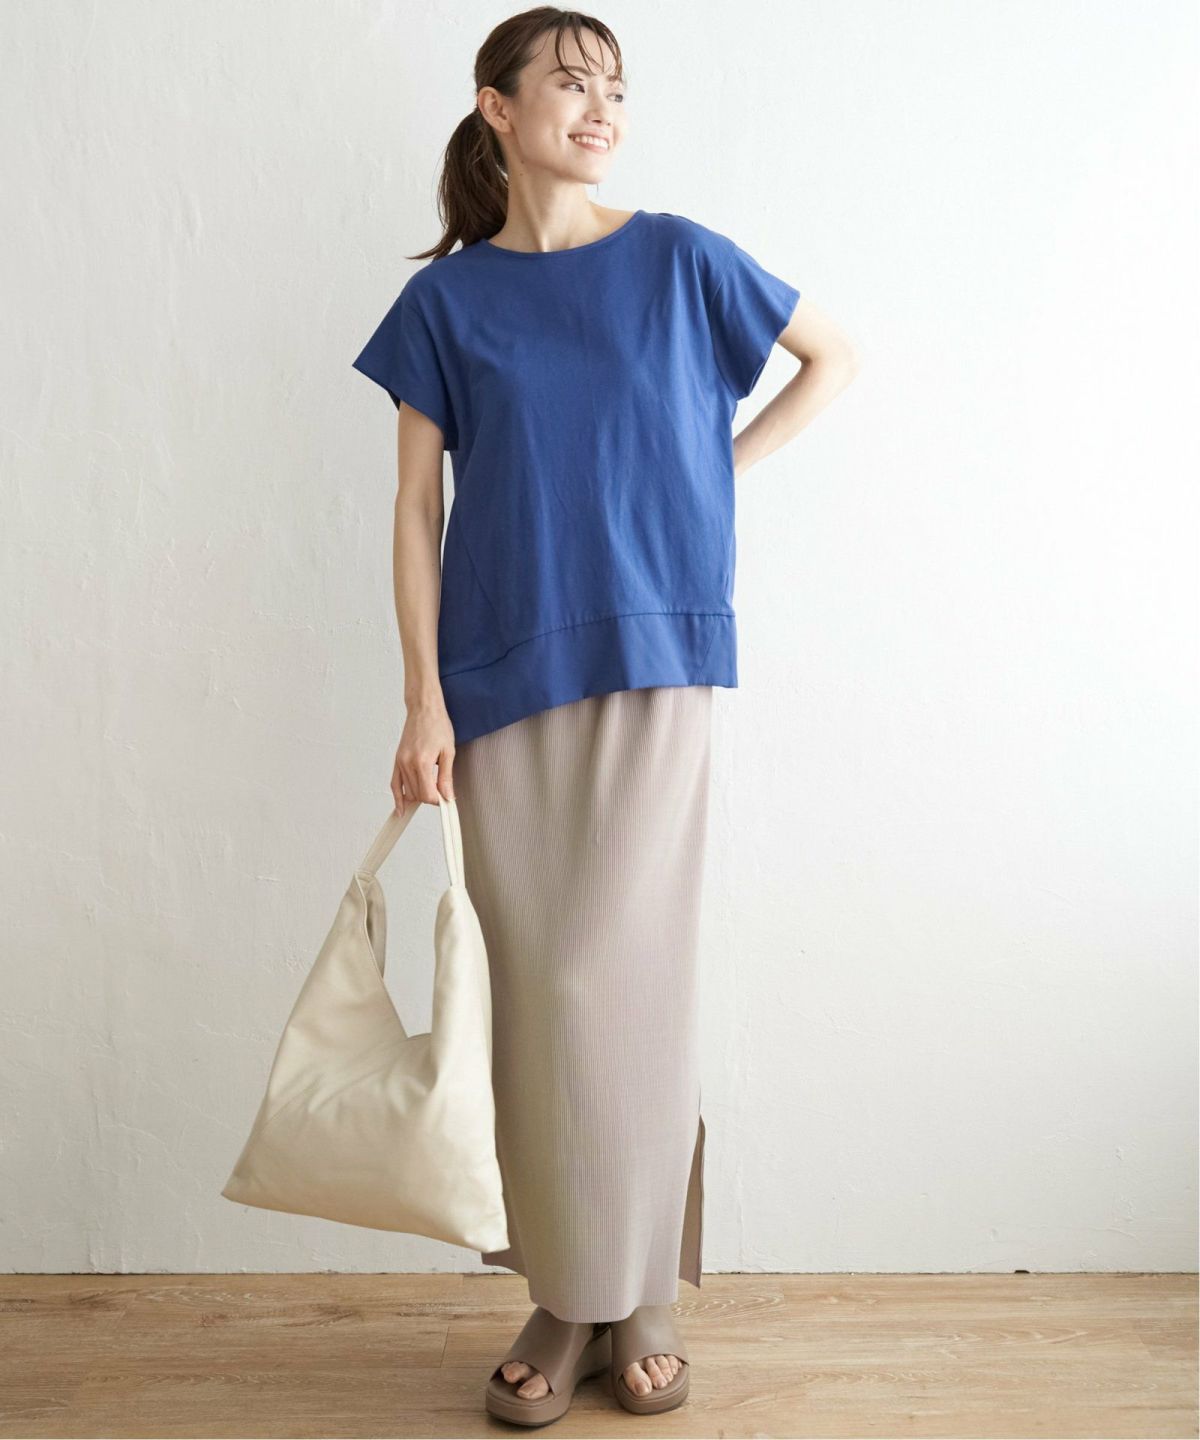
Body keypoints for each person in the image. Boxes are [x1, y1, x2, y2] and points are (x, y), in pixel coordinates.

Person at [351, 6, 860, 1424]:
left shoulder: (682, 258)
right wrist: (421, 698)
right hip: (497, 676)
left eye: (616, 89)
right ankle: (573, 1291)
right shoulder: (447, 306)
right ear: (497, 107)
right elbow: (413, 509)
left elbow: (835, 356)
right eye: (571, 83)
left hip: (654, 656)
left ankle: (630, 1295)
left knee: (627, 987)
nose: (600, 108)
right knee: (538, 995)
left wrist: (711, 474)